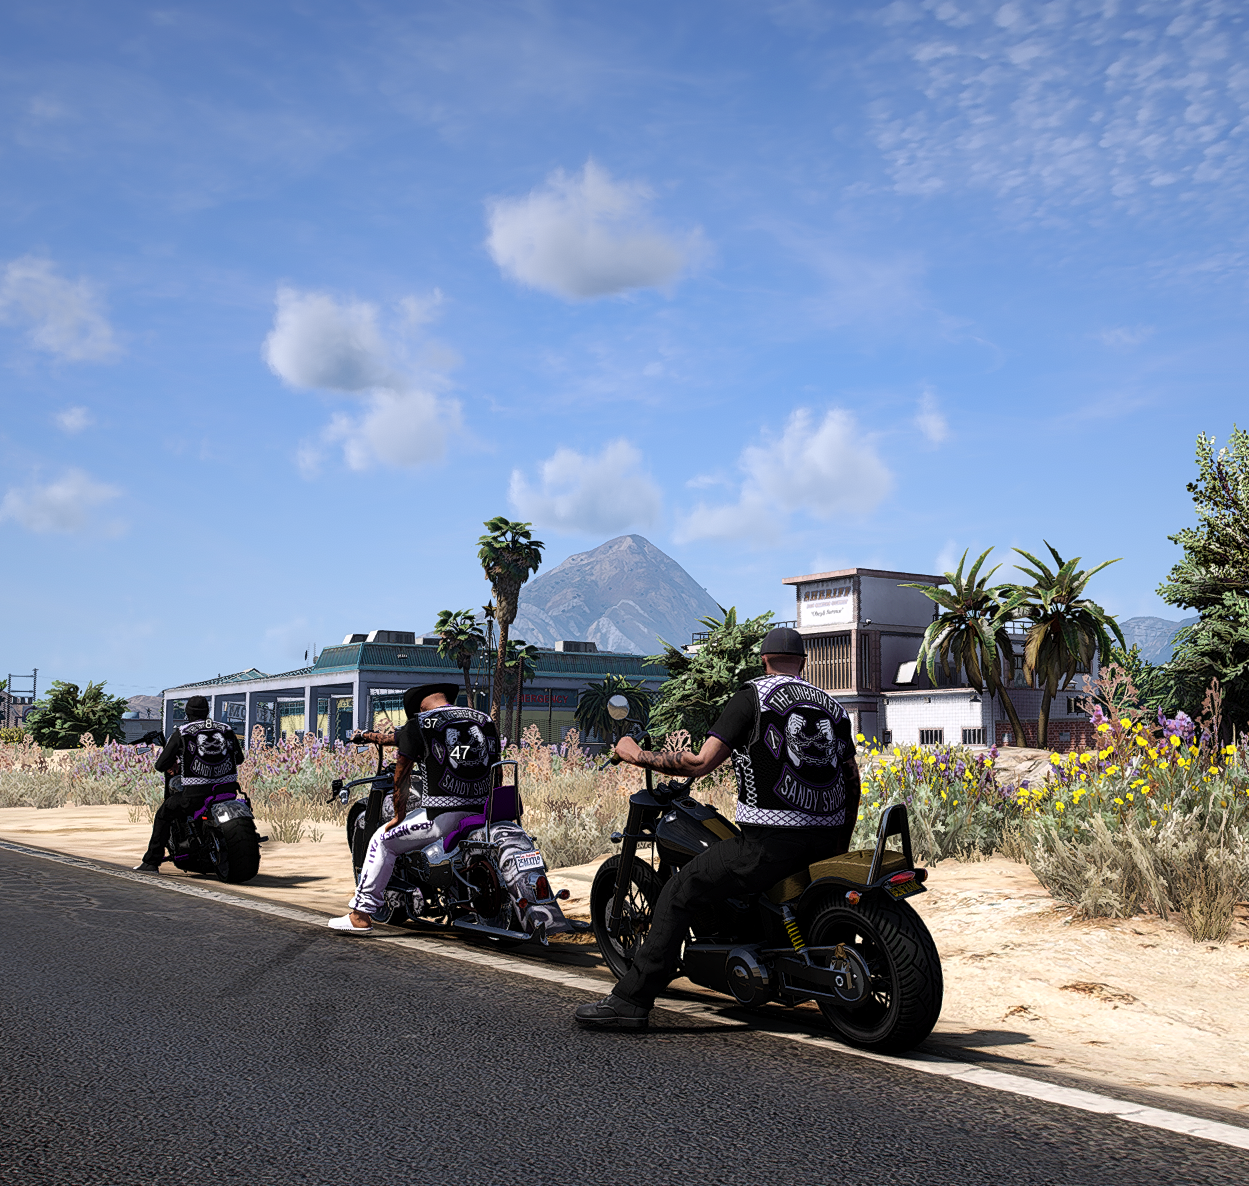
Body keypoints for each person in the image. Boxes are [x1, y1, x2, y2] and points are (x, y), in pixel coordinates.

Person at [574, 626, 861, 1029]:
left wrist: (637, 754)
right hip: (827, 838)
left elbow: (700, 763)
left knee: (678, 891)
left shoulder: (753, 696)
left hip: (770, 844)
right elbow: (852, 780)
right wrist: (839, 844)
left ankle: (631, 1001)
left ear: (763, 659)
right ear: (804, 662)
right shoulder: (831, 705)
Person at [327, 681, 501, 934]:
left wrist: (398, 815)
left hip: (442, 816)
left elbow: (402, 775)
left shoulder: (419, 722)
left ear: (419, 707)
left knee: (382, 840)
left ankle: (360, 914)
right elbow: (498, 767)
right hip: (484, 810)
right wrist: (366, 736)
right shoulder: (482, 720)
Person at [134, 695, 244, 873]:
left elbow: (160, 765)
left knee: (163, 814)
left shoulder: (183, 732)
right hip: (228, 791)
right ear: (207, 712)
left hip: (196, 795)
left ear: (187, 713)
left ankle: (151, 862)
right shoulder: (226, 729)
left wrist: (178, 762)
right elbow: (239, 758)